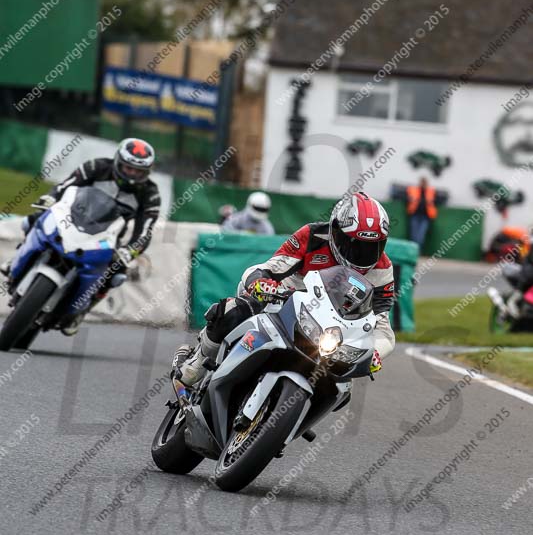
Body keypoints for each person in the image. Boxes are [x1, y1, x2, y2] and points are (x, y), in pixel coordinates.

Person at [172, 191, 395, 391]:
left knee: (343, 385)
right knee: (234, 310)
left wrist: (375, 352)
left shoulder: (383, 268)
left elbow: (382, 327)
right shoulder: (313, 236)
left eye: (373, 246)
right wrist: (261, 282)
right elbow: (268, 268)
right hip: (285, 302)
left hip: (332, 330)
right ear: (335, 231)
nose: (363, 254)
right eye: (354, 244)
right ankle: (198, 363)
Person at [2, 138, 161, 335]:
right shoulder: (97, 166)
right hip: (73, 216)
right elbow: (66, 185)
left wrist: (129, 251)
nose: (133, 175)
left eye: (139, 171)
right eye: (128, 168)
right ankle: (16, 260)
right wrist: (51, 198)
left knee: (115, 272)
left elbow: (145, 230)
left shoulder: (150, 193)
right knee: (35, 219)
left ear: (147, 172)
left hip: (107, 234)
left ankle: (82, 309)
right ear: (118, 162)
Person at [406, 177, 438, 249]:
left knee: (421, 236)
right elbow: (407, 198)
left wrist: (432, 201)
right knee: (413, 235)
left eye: (424, 182)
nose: (423, 184)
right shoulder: (413, 190)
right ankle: (412, 251)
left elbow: (437, 201)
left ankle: (418, 251)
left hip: (426, 217)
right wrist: (410, 199)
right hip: (415, 215)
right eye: (422, 182)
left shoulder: (431, 191)